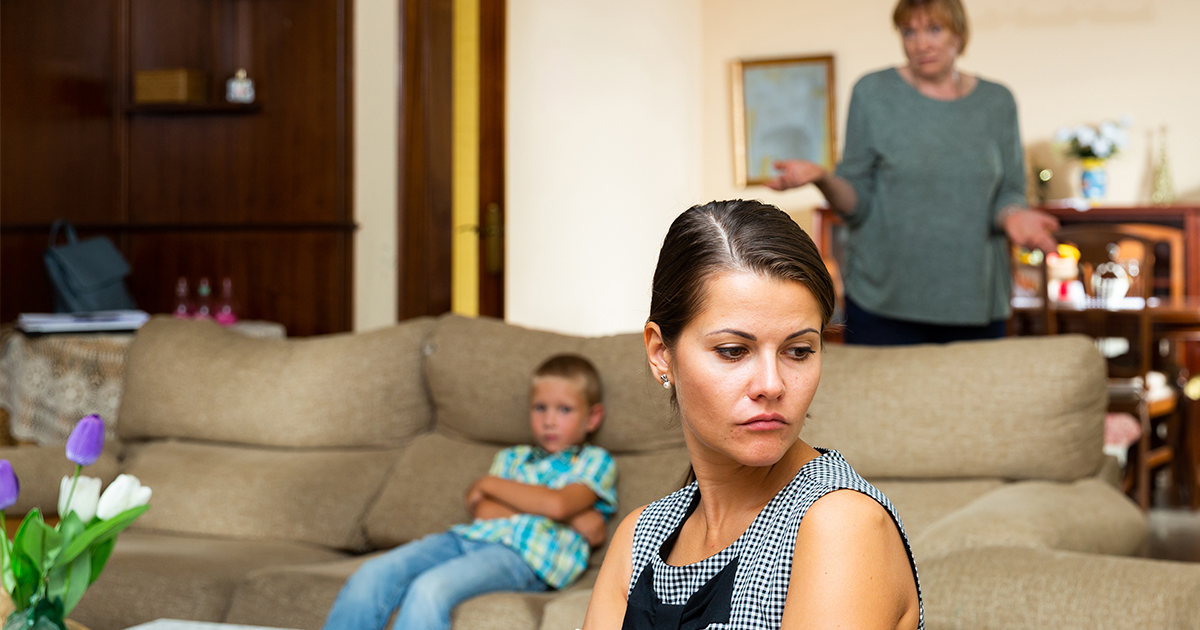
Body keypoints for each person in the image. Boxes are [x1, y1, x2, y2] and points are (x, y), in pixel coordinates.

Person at [583, 200, 922, 629]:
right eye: (733, 351)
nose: (772, 384)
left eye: (798, 351)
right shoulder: (639, 539)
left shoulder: (842, 526)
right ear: (660, 353)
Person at [764, 0, 1059, 346]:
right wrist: (823, 177)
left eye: (934, 29)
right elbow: (854, 204)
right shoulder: (873, 93)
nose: (921, 44)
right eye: (909, 32)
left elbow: (1009, 191)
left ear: (959, 34)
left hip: (974, 301)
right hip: (884, 302)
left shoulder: (997, 102)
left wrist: (1013, 217)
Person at [323, 354, 618, 630]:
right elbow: (484, 511)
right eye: (540, 408)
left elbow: (557, 506)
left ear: (593, 418)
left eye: (564, 409)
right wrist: (571, 517)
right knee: (373, 573)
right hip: (467, 538)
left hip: (523, 558)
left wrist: (488, 484)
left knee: (430, 587)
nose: (549, 420)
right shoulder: (513, 457)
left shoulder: (595, 461)